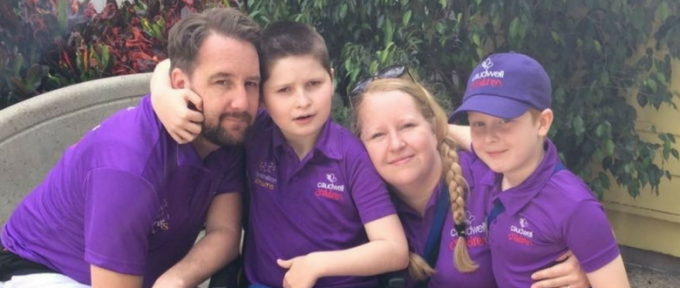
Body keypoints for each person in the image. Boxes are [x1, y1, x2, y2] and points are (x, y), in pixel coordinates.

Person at [0, 8, 259, 288]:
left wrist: (176, 280)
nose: (242, 102)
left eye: (251, 84)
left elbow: (225, 233)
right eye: (223, 82)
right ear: (181, 84)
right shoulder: (130, 165)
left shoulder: (222, 134)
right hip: (43, 269)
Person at [151, 21, 409, 288]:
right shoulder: (254, 135)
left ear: (331, 80)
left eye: (314, 83)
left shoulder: (351, 157)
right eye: (284, 90)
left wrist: (316, 264)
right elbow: (176, 63)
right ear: (261, 97)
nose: (303, 101)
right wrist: (161, 94)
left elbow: (394, 249)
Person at [447, 52, 630, 288]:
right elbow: (474, 141)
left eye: (504, 121)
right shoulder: (498, 163)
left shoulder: (573, 205)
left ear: (542, 123)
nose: (490, 138)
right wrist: (436, 125)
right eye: (478, 123)